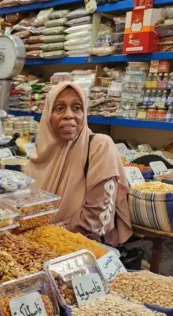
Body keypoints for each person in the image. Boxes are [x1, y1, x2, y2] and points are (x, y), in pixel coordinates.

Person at [26, 81, 132, 246]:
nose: (69, 115)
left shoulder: (99, 146)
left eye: (76, 108)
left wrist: (46, 233)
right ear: (48, 115)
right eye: (59, 108)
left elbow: (97, 221)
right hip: (35, 244)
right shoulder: (40, 154)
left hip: (83, 246)